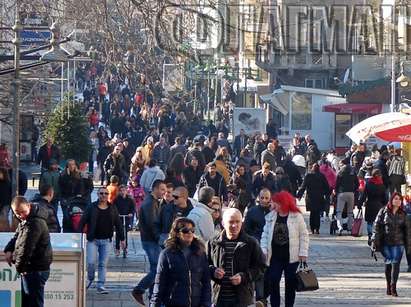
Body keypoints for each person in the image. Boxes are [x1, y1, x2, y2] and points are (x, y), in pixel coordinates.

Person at [207, 208, 265, 307]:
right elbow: (205, 265)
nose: (234, 225)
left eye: (238, 222)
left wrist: (243, 277)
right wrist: (213, 271)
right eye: (231, 222)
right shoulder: (213, 243)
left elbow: (260, 268)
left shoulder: (251, 243)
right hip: (219, 298)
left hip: (242, 298)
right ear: (223, 223)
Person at [260, 191, 309, 307]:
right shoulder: (271, 216)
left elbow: (304, 235)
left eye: (275, 203)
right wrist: (264, 249)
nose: (272, 204)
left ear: (283, 203)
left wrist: (303, 252)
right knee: (273, 280)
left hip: (291, 257)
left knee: (290, 283)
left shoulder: (296, 216)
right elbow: (265, 234)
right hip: (275, 256)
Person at [150, 217, 212, 307]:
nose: (190, 233)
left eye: (192, 230)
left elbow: (206, 281)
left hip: (196, 303)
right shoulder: (167, 254)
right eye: (186, 230)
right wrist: (154, 304)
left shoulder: (200, 253)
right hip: (174, 303)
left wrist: (206, 304)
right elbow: (160, 283)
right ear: (177, 233)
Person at [4, 196, 53, 307]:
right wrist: (9, 249)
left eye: (23, 212)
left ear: (29, 206)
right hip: (30, 268)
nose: (20, 216)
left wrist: (20, 268)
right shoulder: (26, 220)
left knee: (33, 303)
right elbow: (18, 236)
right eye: (17, 213)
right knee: (28, 302)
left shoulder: (35, 223)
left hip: (35, 269)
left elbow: (27, 248)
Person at [79, 186, 124, 294]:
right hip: (93, 240)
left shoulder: (112, 208)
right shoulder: (92, 207)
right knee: (90, 263)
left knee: (103, 264)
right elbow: (83, 221)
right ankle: (90, 278)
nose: (103, 195)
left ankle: (101, 285)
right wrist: (78, 235)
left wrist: (122, 239)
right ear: (98, 195)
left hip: (106, 240)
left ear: (108, 195)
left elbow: (118, 224)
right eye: (101, 193)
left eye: (105, 193)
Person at [132, 180, 167, 305]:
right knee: (157, 270)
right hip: (150, 241)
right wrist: (161, 241)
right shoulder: (149, 203)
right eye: (162, 189)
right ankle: (139, 289)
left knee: (156, 268)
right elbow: (153, 225)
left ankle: (153, 296)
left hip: (151, 240)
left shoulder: (155, 202)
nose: (164, 192)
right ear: (155, 189)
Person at [372, 192, 411, 296]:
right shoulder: (383, 211)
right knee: (388, 264)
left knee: (395, 263)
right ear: (391, 200)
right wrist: (375, 240)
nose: (397, 201)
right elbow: (376, 225)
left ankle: (393, 287)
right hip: (386, 242)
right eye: (395, 199)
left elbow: (408, 232)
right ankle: (388, 285)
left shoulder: (404, 214)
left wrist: (408, 246)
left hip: (399, 243)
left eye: (399, 199)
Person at [297, 163, 330, 234]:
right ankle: (317, 229)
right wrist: (327, 195)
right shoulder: (322, 176)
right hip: (319, 197)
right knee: (317, 213)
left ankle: (312, 229)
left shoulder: (308, 176)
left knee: (312, 213)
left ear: (312, 168)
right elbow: (327, 187)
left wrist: (299, 195)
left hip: (310, 198)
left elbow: (303, 186)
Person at [360, 169, 387, 246]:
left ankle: (369, 235)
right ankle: (376, 237)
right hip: (379, 206)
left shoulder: (368, 184)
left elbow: (364, 195)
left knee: (369, 222)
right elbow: (385, 198)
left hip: (370, 205)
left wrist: (359, 204)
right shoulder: (382, 185)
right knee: (378, 222)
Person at [335, 158, 359, 235]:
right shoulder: (353, 172)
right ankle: (350, 227)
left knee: (339, 212)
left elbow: (337, 184)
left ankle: (340, 227)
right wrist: (353, 190)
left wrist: (336, 191)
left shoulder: (341, 172)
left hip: (342, 193)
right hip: (351, 193)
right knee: (350, 212)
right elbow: (357, 184)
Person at [113, 185, 135, 256]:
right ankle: (117, 248)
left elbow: (132, 208)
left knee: (125, 233)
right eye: (121, 190)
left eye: (124, 190)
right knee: (118, 233)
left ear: (126, 191)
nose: (122, 192)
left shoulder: (129, 199)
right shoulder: (116, 199)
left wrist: (131, 213)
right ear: (119, 191)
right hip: (119, 218)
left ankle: (125, 248)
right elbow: (114, 207)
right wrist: (116, 214)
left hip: (126, 218)